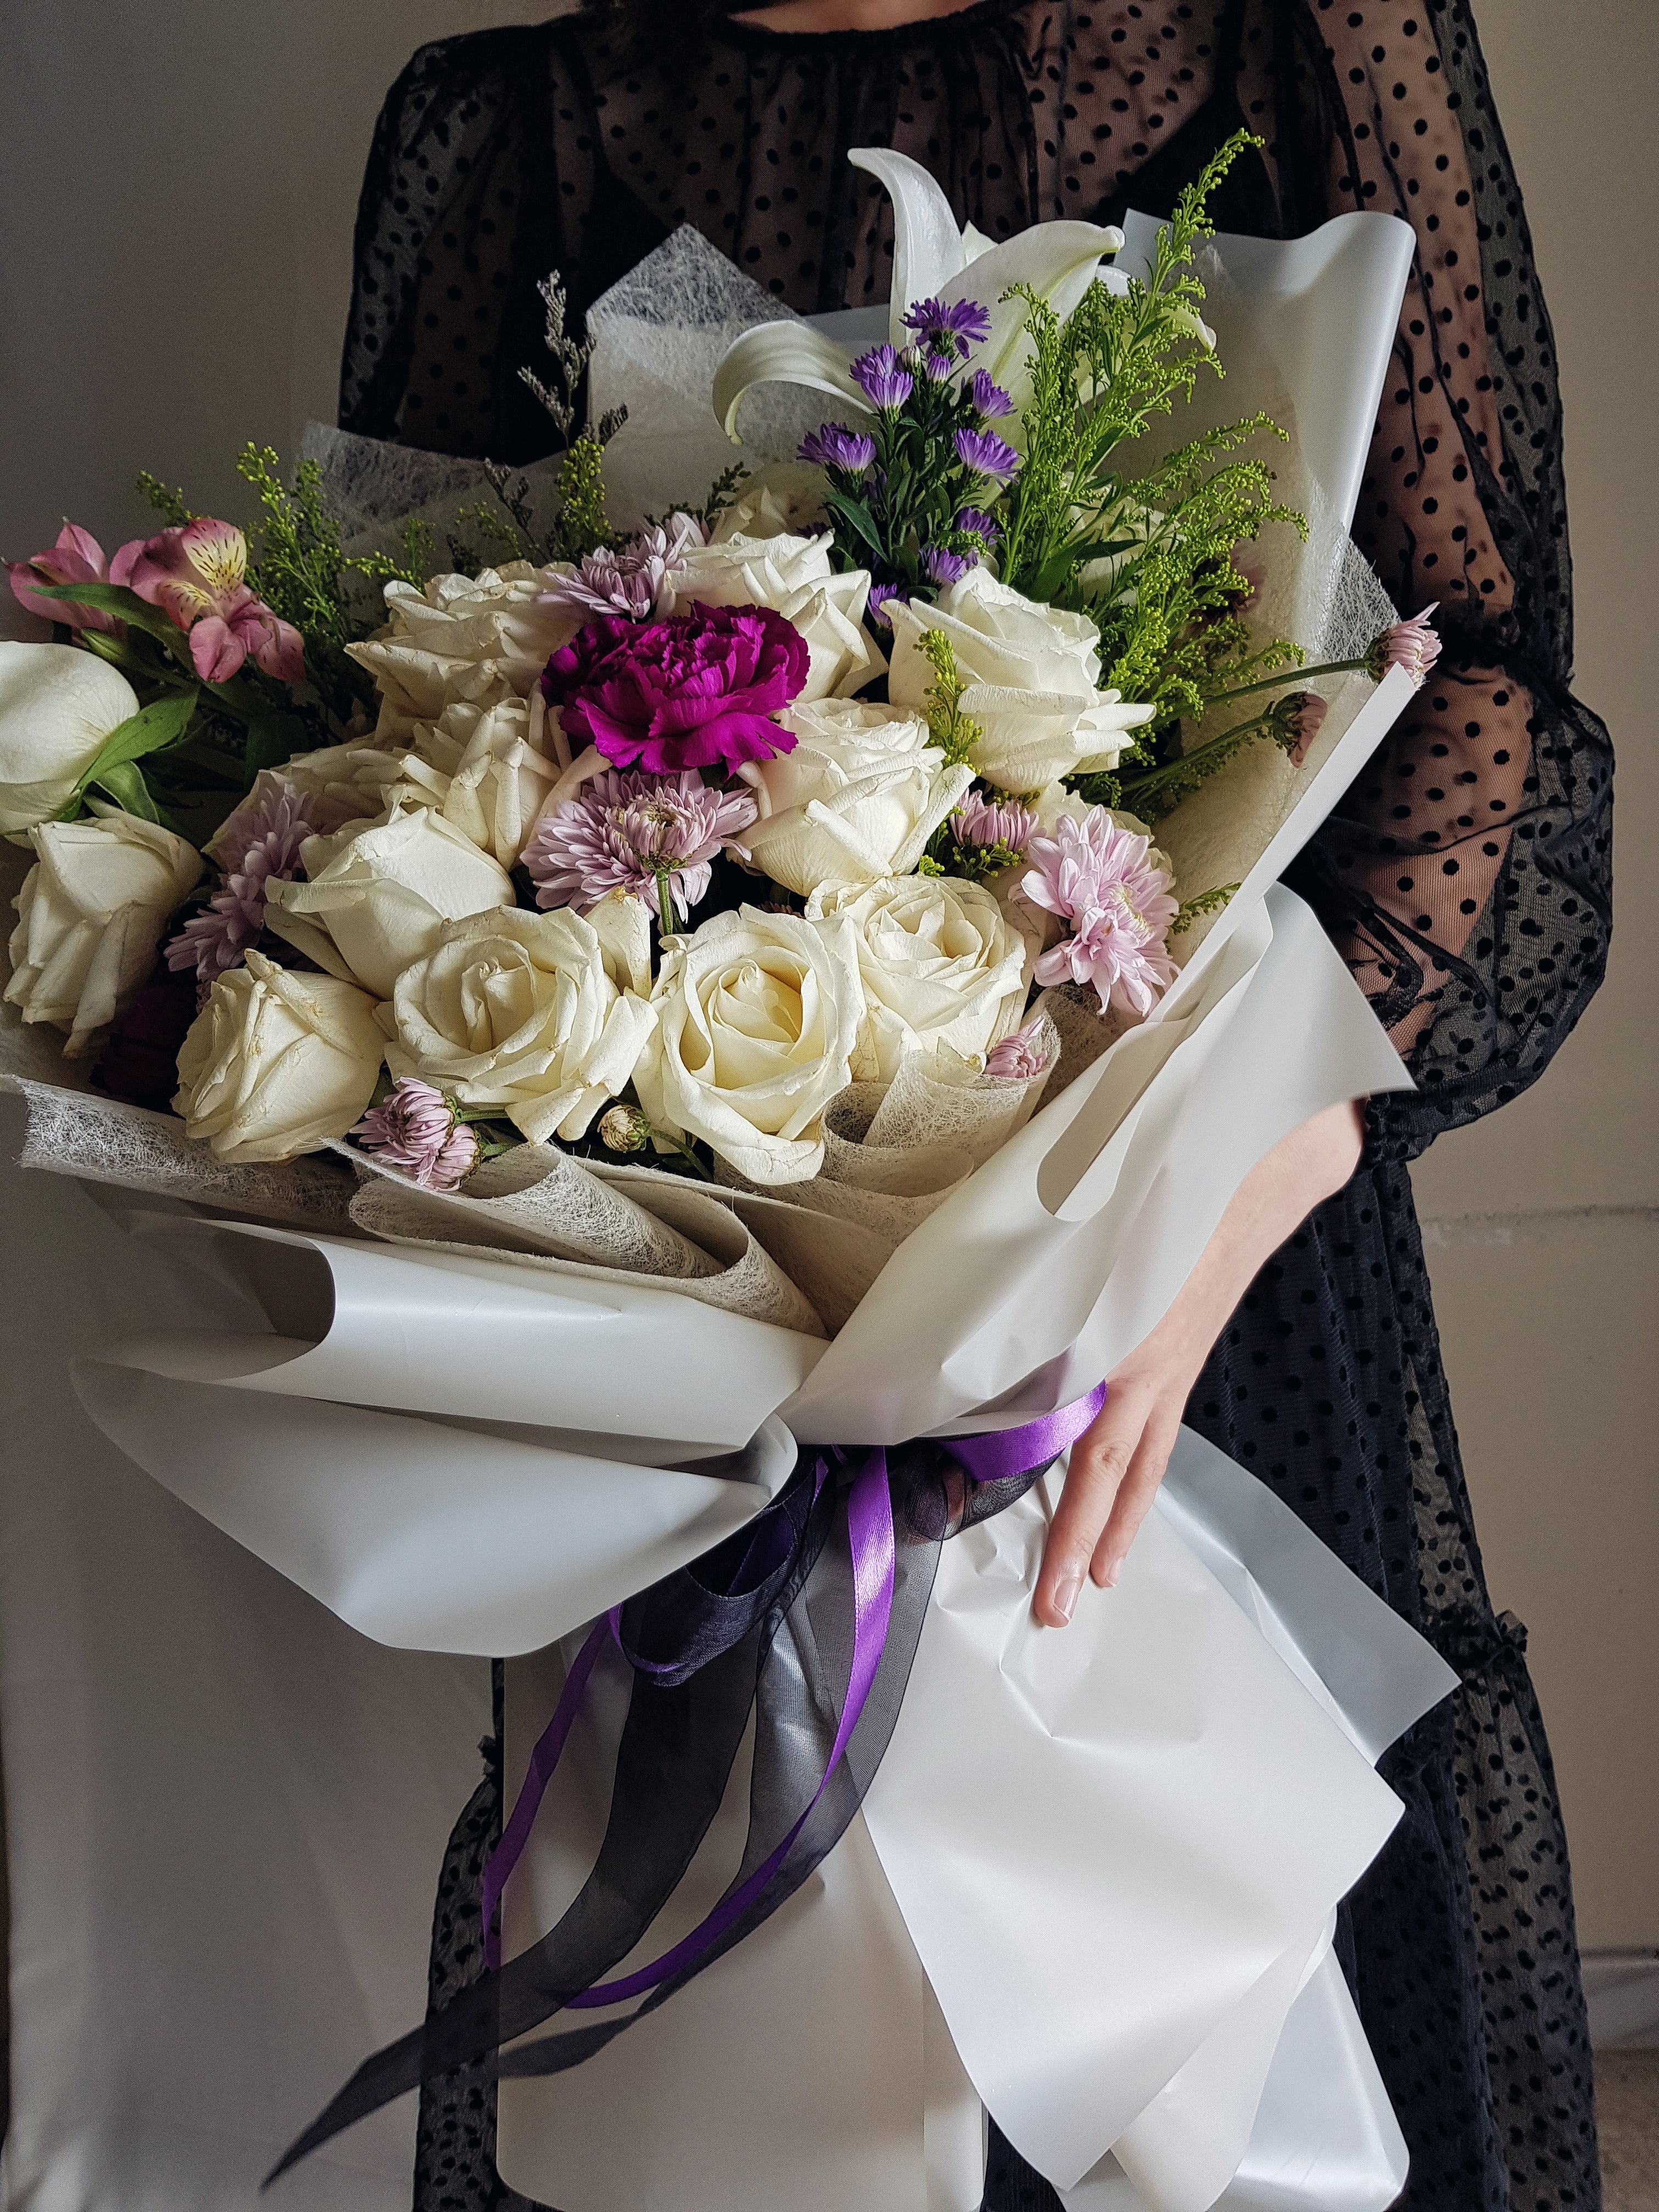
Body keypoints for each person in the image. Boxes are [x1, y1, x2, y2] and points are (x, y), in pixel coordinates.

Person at [340, 1, 1614, 2204]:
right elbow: (396, 749)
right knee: (766, 2065)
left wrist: (1238, 1187)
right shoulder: (510, 127)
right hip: (692, 1328)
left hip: (1202, 1313)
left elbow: (1478, 692)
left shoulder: (1306, 31)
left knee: (1210, 2069)